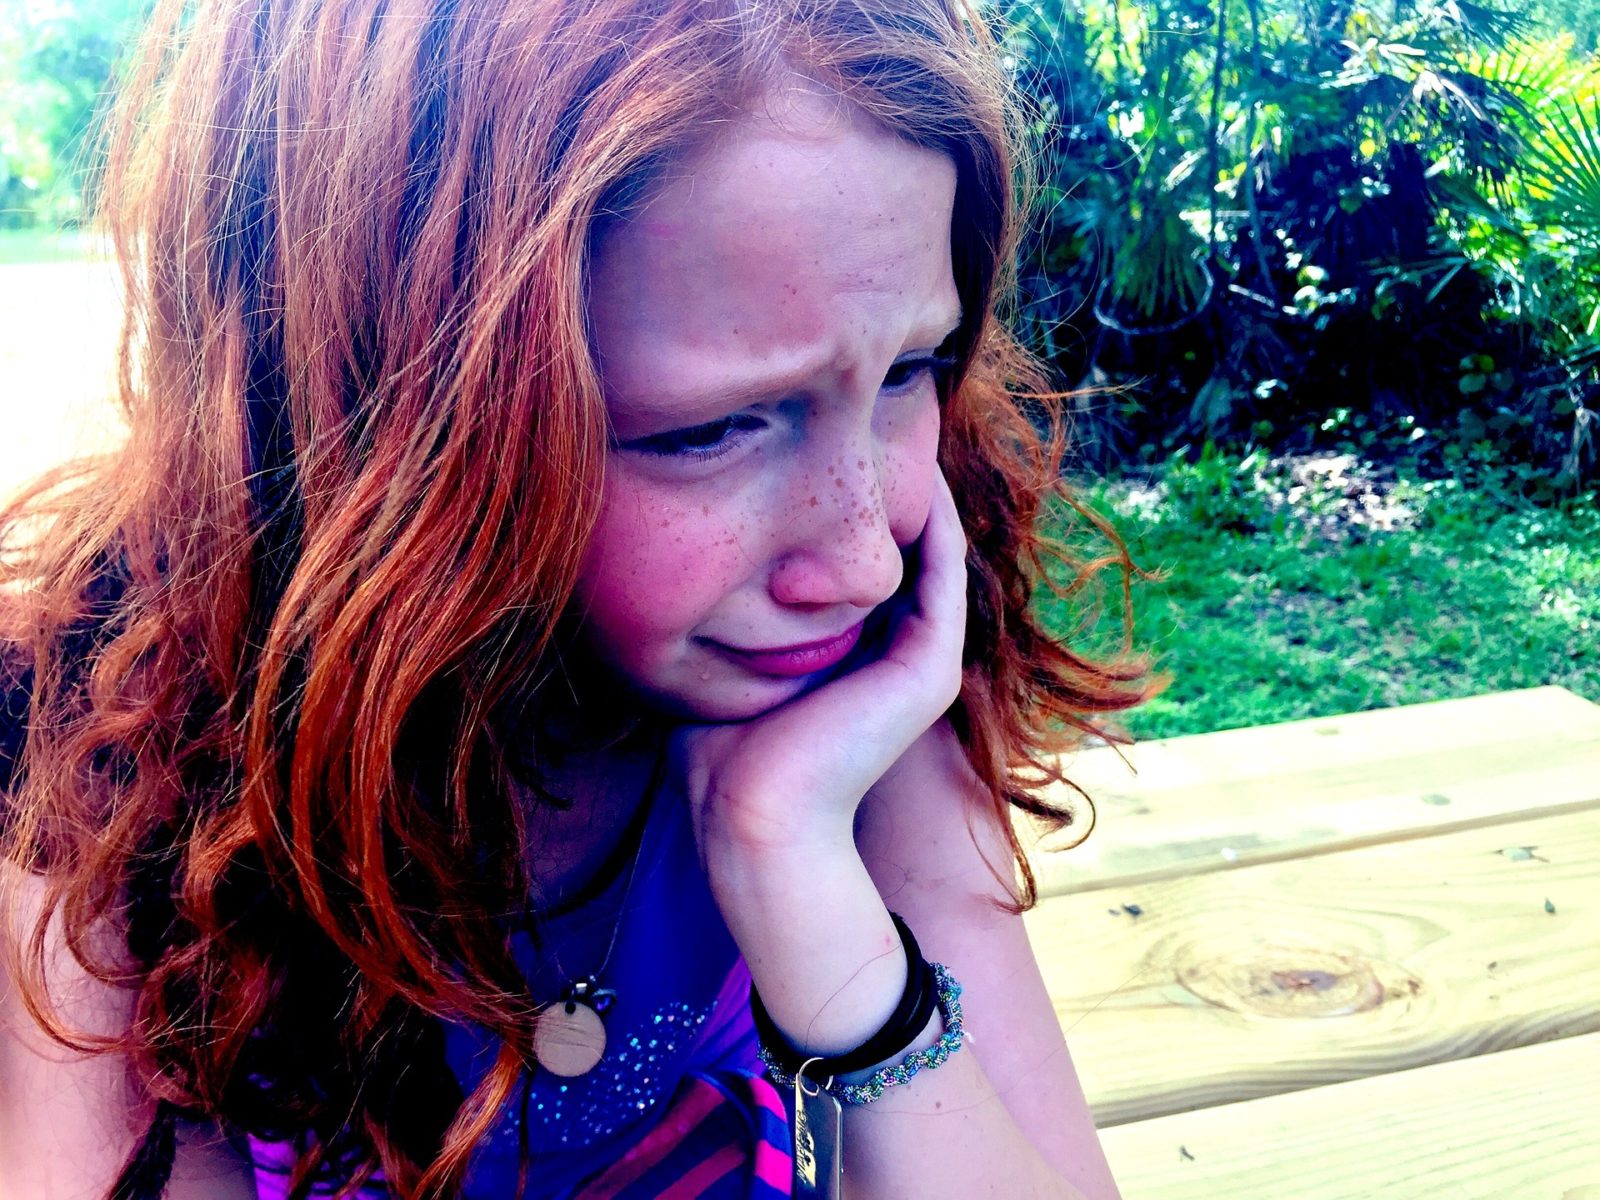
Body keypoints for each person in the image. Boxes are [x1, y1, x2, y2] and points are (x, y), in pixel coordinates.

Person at [0, 0, 1164, 1196]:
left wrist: (797, 874)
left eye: (911, 369)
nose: (866, 559)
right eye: (709, 429)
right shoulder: (108, 775)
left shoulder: (858, 699)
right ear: (371, 427)